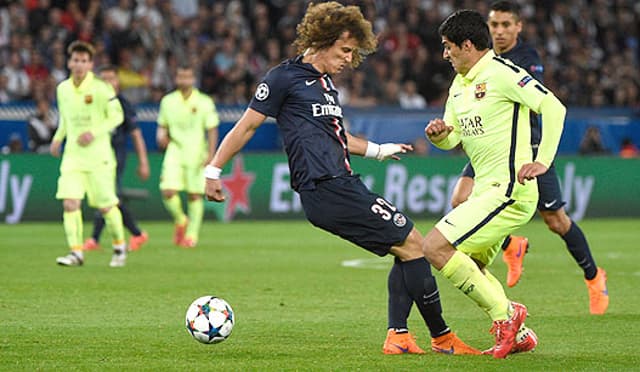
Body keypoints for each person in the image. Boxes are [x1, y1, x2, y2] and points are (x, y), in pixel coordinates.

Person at [204, 2, 479, 356]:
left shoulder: (325, 86)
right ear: (322, 40)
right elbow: (247, 126)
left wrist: (379, 150)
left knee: (406, 247)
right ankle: (442, 339)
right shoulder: (283, 78)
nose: (350, 59)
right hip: (325, 187)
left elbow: (337, 137)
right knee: (416, 245)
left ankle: (399, 337)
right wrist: (214, 171)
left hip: (342, 182)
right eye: (345, 50)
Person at [422, 9, 570, 358]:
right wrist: (439, 136)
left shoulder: (504, 73)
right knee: (470, 263)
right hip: (484, 190)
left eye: (448, 47)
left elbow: (553, 108)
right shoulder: (460, 84)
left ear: (467, 44)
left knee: (434, 248)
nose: (445, 54)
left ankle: (507, 316)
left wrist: (542, 160)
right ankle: (520, 336)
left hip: (509, 188)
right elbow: (453, 137)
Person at [448, 1, 609, 316]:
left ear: (518, 27)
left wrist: (543, 158)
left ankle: (593, 276)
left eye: (507, 25)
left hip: (526, 147)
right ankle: (511, 246)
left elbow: (542, 104)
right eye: (494, 25)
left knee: (556, 221)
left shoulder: (525, 61)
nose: (500, 31)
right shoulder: (480, 60)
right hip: (491, 148)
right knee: (460, 199)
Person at [51, 40, 127, 267]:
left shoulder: (102, 88)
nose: (79, 65)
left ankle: (119, 247)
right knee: (70, 203)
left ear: (91, 64)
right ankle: (76, 252)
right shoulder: (62, 89)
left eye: (84, 61)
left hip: (99, 158)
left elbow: (117, 117)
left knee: (106, 206)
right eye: (75, 60)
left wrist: (94, 132)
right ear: (69, 62)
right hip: (73, 156)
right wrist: (57, 138)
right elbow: (65, 119)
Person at [83, 65, 150, 252]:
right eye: (103, 79)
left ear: (117, 82)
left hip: (114, 157)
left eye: (110, 79)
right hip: (96, 155)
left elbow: (136, 134)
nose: (107, 83)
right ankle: (137, 234)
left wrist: (143, 161)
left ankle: (96, 239)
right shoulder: (94, 102)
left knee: (107, 197)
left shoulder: (123, 104)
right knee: (107, 198)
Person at [157, 64, 220, 248]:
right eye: (181, 76)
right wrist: (161, 137)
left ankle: (191, 235)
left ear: (193, 79)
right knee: (168, 191)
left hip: (196, 151)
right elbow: (162, 125)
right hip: (175, 150)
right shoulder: (168, 101)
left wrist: (211, 154)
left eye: (187, 77)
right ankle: (180, 219)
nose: (184, 80)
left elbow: (212, 129)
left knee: (194, 195)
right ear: (176, 78)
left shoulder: (204, 102)